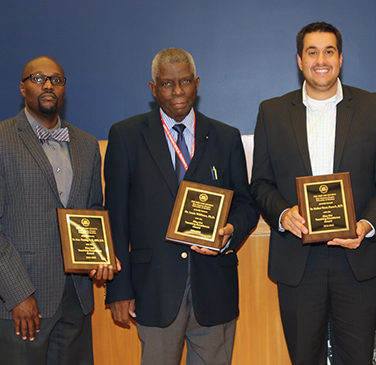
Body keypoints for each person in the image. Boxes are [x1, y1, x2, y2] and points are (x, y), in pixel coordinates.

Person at [250, 22, 376, 364]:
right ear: (300, 60)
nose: (321, 59)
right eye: (312, 52)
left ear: (340, 58)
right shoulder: (272, 112)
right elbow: (260, 183)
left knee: (357, 358)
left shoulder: (373, 106)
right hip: (297, 260)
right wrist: (282, 214)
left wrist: (364, 225)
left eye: (329, 51)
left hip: (356, 258)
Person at [104, 47, 259, 365]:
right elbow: (115, 218)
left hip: (214, 289)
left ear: (197, 83)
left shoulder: (225, 137)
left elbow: (245, 204)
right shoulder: (126, 136)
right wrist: (119, 290)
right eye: (166, 84)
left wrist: (229, 232)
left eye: (185, 81)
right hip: (154, 290)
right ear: (153, 88)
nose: (177, 91)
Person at [0, 56, 114, 365]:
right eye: (38, 78)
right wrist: (18, 294)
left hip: (76, 296)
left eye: (56, 80)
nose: (48, 85)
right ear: (22, 88)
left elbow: (93, 210)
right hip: (21, 299)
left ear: (64, 89)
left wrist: (99, 257)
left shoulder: (86, 144)